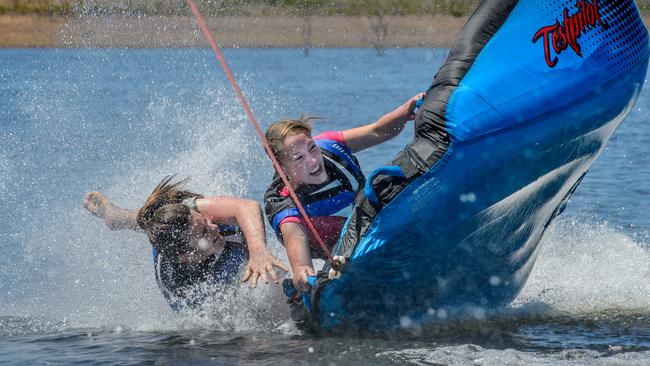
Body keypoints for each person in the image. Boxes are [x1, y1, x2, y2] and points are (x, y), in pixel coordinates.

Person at [264, 94, 424, 293]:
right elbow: (301, 265)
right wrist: (303, 276)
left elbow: (379, 131)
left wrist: (403, 112)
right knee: (336, 270)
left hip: (362, 224)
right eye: (298, 158)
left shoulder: (330, 147)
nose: (313, 161)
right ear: (280, 167)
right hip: (328, 246)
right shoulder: (283, 202)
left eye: (311, 148)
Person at [84, 176, 287, 309]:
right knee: (135, 221)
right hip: (183, 256)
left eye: (206, 222)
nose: (213, 227)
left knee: (145, 217)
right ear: (186, 256)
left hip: (177, 216)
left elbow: (248, 207)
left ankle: (113, 216)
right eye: (204, 232)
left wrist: (258, 251)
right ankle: (112, 216)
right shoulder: (181, 288)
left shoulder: (194, 214)